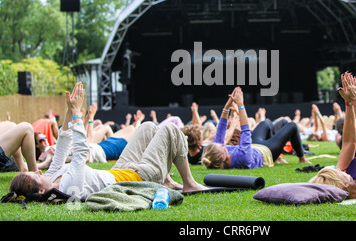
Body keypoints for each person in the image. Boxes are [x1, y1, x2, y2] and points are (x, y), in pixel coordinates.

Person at [7, 82, 206, 201]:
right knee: (170, 129)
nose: (39, 171)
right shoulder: (68, 188)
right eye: (36, 175)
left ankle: (166, 180)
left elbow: (63, 144)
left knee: (147, 127)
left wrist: (70, 109)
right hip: (139, 179)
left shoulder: (53, 176)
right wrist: (77, 114)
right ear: (41, 190)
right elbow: (79, 154)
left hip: (121, 170)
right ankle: (189, 183)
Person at [201, 87, 311, 169]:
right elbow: (245, 129)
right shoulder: (242, 158)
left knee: (266, 123)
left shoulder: (218, 152)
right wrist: (240, 104)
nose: (224, 145)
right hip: (267, 152)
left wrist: (227, 106)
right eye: (223, 148)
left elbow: (221, 129)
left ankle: (279, 158)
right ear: (223, 157)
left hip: (255, 146)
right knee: (292, 126)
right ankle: (302, 158)